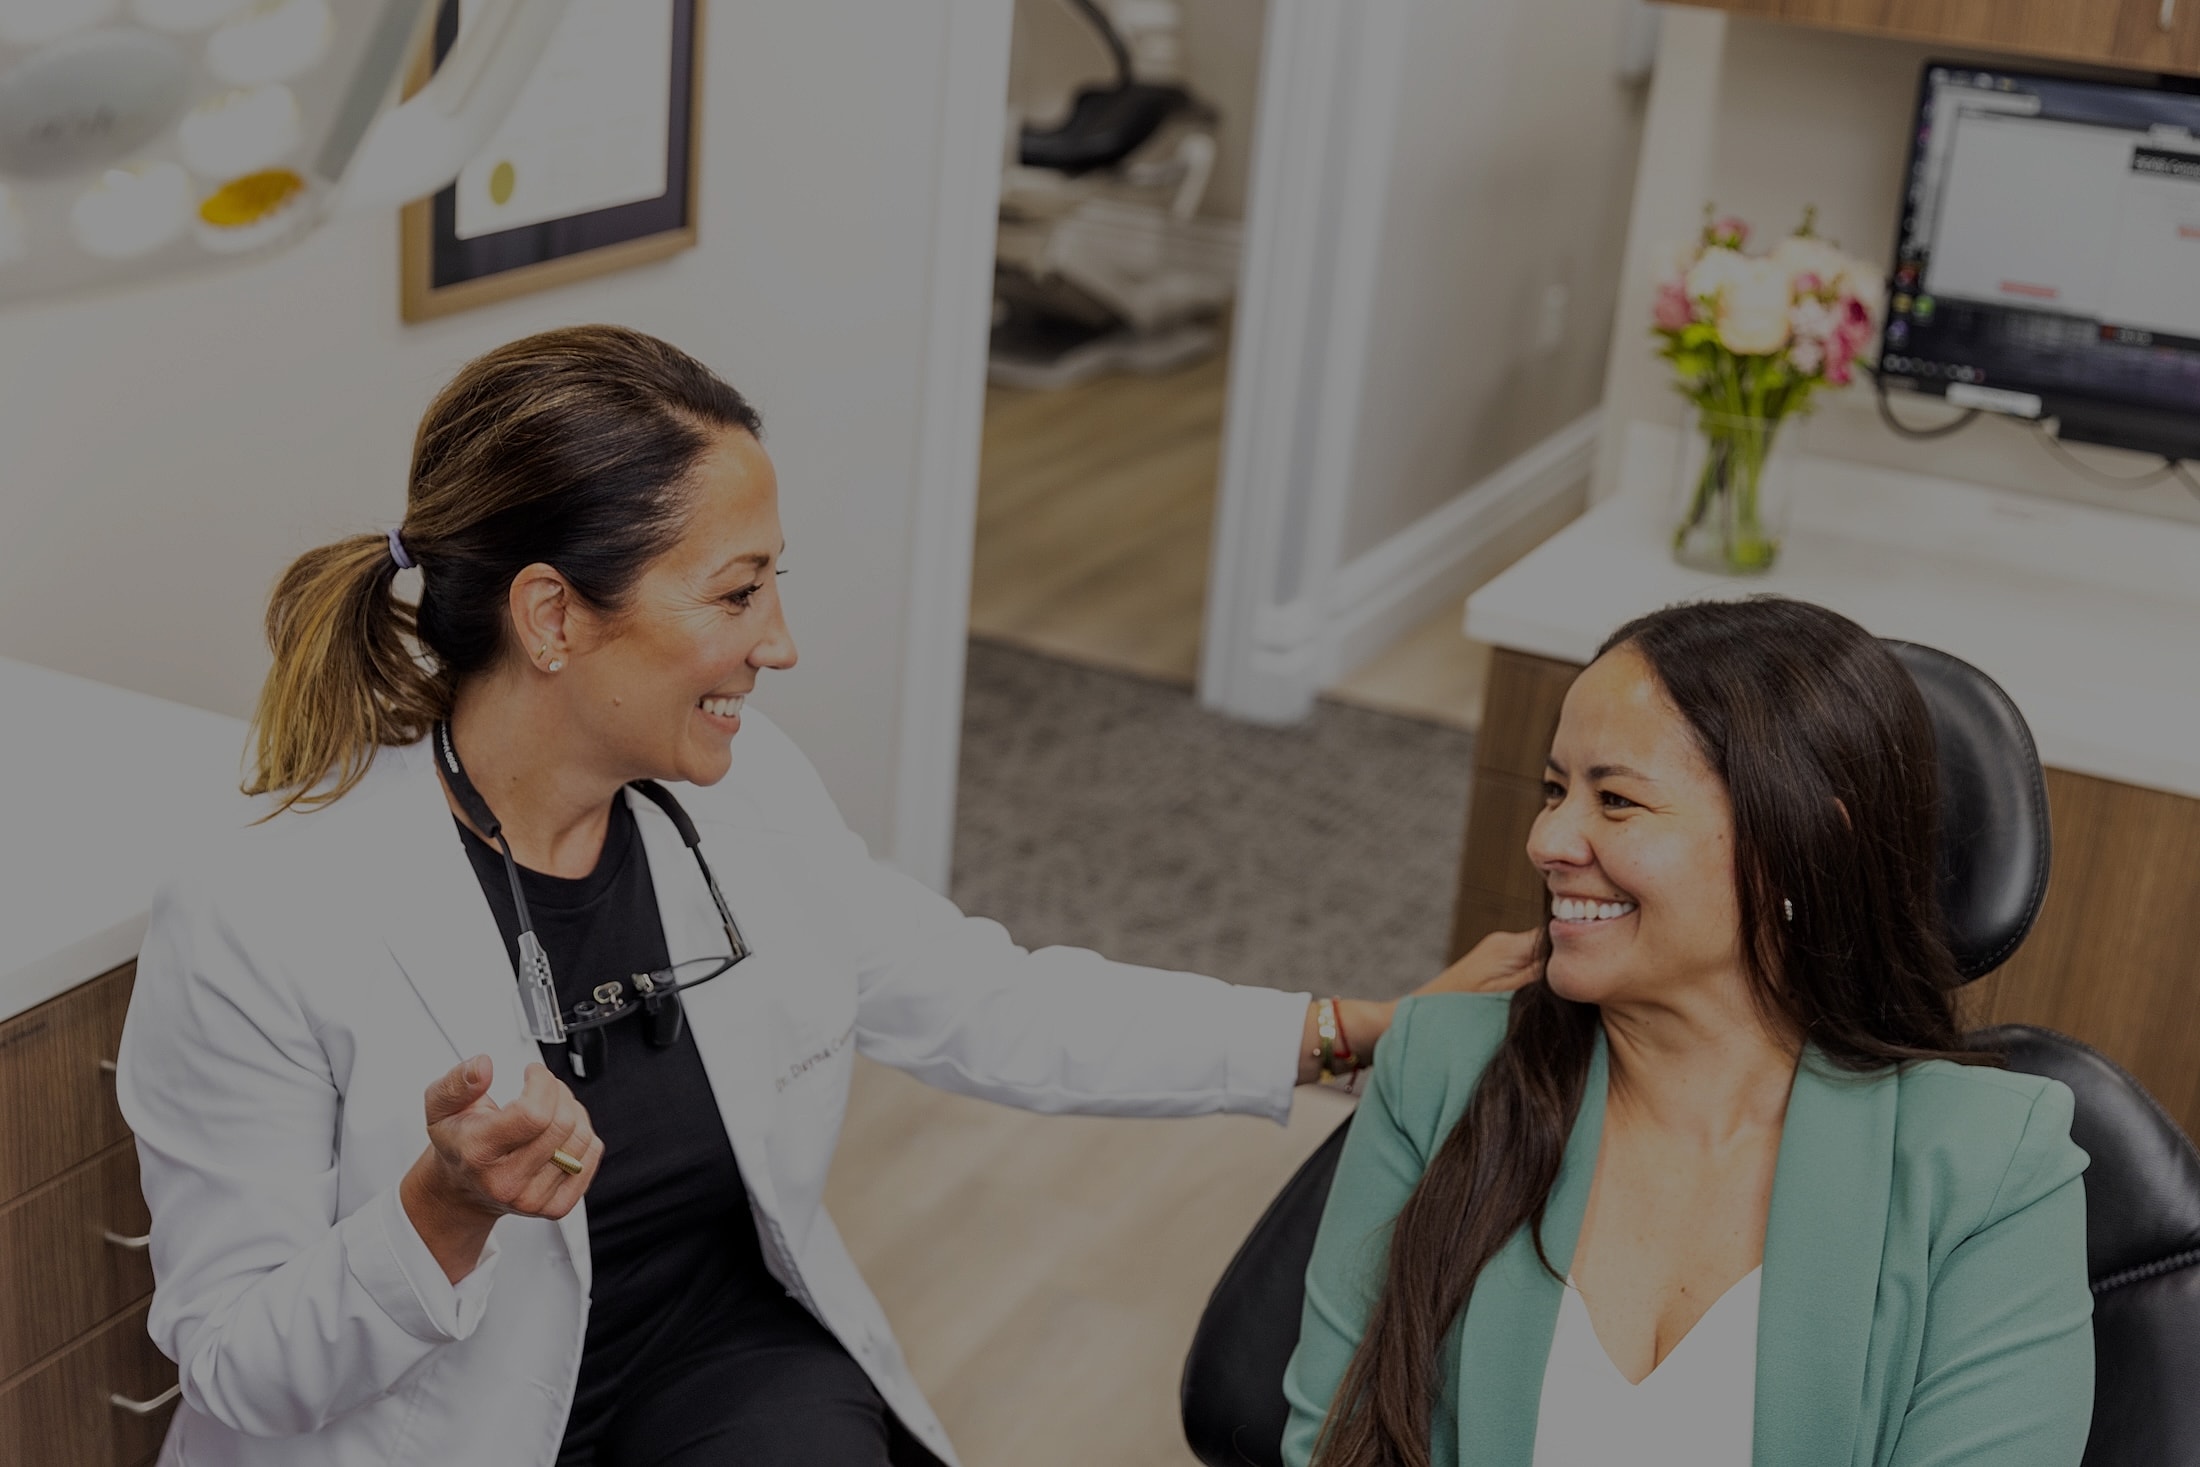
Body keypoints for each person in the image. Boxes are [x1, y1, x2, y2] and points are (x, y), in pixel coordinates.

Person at [116, 325, 1534, 1467]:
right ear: (554, 616)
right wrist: (442, 1206)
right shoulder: (263, 912)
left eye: (773, 587)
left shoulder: (746, 798)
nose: (779, 643)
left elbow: (988, 1000)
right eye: (736, 595)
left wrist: (1347, 1029)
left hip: (723, 1369)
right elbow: (237, 1357)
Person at [1283, 597, 2094, 1467]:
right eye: (1556, 790)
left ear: (1801, 840)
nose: (1548, 837)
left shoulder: (1993, 1165)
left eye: (1617, 800)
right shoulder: (1439, 1066)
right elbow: (1336, 1445)